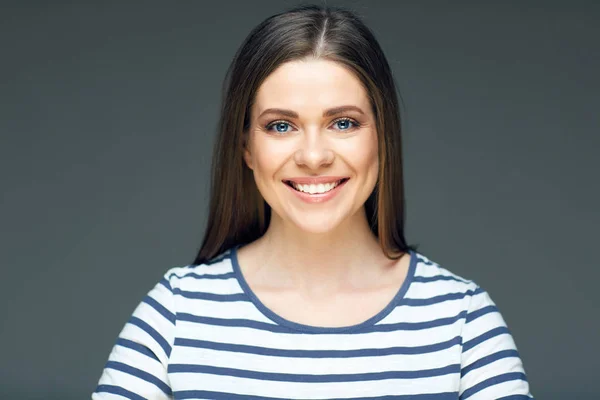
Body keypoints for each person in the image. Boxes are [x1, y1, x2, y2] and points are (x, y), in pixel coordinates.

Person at [93, 3, 533, 399]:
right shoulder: (175, 314)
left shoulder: (462, 321)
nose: (314, 156)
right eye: (281, 126)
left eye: (343, 122)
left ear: (383, 138)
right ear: (246, 147)